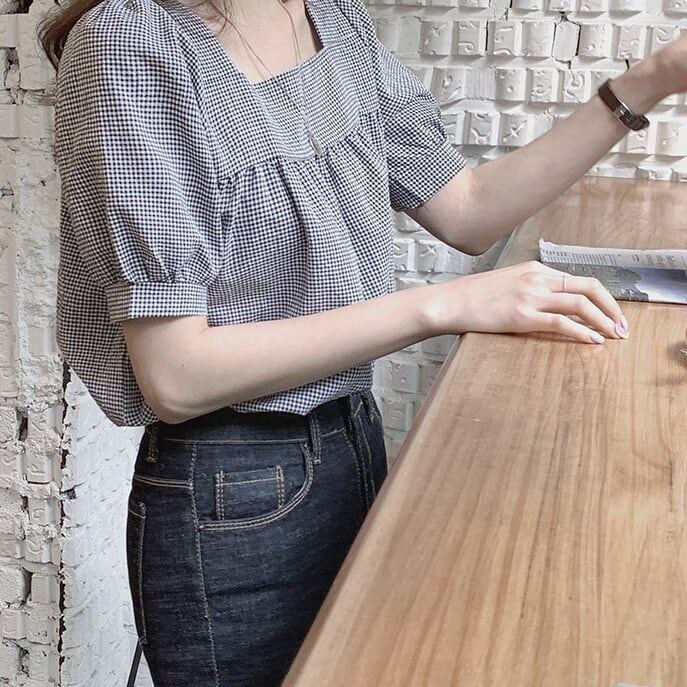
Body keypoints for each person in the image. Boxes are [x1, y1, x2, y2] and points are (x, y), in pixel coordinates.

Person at [37, 0, 687, 683]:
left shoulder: (332, 17)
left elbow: (467, 209)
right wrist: (441, 304)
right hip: (231, 490)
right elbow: (176, 375)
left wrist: (650, 78)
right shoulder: (130, 41)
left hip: (351, 441)